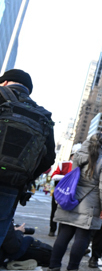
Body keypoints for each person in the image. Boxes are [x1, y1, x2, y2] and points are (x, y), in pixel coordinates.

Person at [47, 133, 102, 271]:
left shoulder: (77, 156)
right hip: (90, 204)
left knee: (63, 235)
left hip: (72, 199)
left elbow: (75, 177)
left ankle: (53, 270)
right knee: (82, 238)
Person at [0, 69, 55, 248]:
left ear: (5, 82)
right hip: (11, 185)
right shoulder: (42, 116)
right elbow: (49, 158)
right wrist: (25, 177)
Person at [49, 144, 80, 236]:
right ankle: (52, 229)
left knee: (67, 212)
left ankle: (61, 232)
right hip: (60, 192)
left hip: (72, 193)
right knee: (54, 210)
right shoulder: (63, 164)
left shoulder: (81, 167)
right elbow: (54, 176)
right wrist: (67, 178)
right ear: (72, 156)